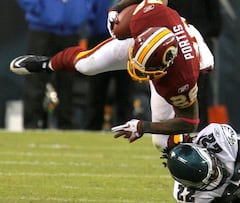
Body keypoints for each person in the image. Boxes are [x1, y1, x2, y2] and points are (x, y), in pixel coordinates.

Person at [10, 0, 214, 152]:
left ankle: (197, 157)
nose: (139, 73)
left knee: (161, 142)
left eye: (147, 71)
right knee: (86, 65)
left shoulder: (181, 78)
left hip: (188, 53)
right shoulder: (146, 16)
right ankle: (46, 63)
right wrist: (116, 8)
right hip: (154, 38)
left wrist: (143, 126)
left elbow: (188, 120)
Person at [16, 0, 97, 129]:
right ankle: (31, 124)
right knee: (35, 79)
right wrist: (40, 11)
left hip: (71, 30)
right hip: (42, 29)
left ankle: (66, 125)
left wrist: (83, 11)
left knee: (68, 82)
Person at [167, 0, 222, 130]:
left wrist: (193, 36)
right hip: (175, 45)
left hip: (198, 45)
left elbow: (217, 25)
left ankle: (200, 129)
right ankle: (172, 127)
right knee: (173, 88)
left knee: (200, 90)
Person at [84, 0, 134, 131]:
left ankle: (126, 128)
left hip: (127, 39)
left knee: (125, 90)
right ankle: (92, 129)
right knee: (96, 89)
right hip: (99, 36)